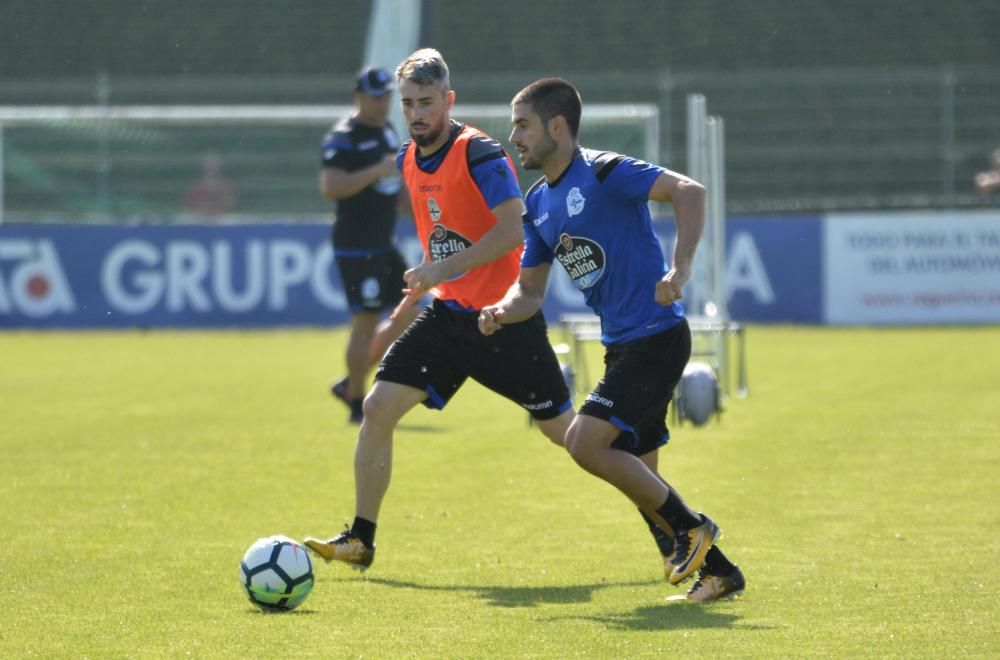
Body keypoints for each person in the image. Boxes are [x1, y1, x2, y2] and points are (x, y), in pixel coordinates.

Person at [305, 48, 575, 573]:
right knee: (377, 409)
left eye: (426, 102)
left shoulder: (480, 152)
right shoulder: (407, 158)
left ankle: (671, 521)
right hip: (449, 318)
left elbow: (512, 231)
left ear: (448, 100)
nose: (416, 112)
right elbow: (444, 234)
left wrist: (440, 270)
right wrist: (428, 274)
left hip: (502, 317)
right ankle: (361, 539)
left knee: (572, 438)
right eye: (408, 104)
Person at [478, 78, 745, 601]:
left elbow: (689, 191)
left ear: (558, 126)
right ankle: (718, 571)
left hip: (658, 338)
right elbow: (530, 291)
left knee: (583, 441)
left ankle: (691, 529)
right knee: (639, 476)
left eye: (523, 125)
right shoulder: (537, 203)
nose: (514, 137)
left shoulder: (604, 171)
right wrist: (500, 311)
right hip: (622, 345)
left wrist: (681, 268)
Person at [320, 66, 422, 424]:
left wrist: (422, 221)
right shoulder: (343, 138)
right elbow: (331, 187)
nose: (383, 103)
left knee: (410, 311)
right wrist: (374, 172)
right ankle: (356, 402)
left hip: (384, 242)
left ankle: (352, 380)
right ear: (359, 96)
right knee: (364, 322)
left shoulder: (388, 132)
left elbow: (396, 186)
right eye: (377, 96)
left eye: (386, 96)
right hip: (355, 244)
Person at [182, 152, 237, 216]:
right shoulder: (195, 186)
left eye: (213, 167)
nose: (211, 169)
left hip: (221, 217)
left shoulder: (227, 186)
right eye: (209, 167)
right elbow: (187, 205)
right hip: (199, 217)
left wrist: (217, 191)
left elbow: (230, 204)